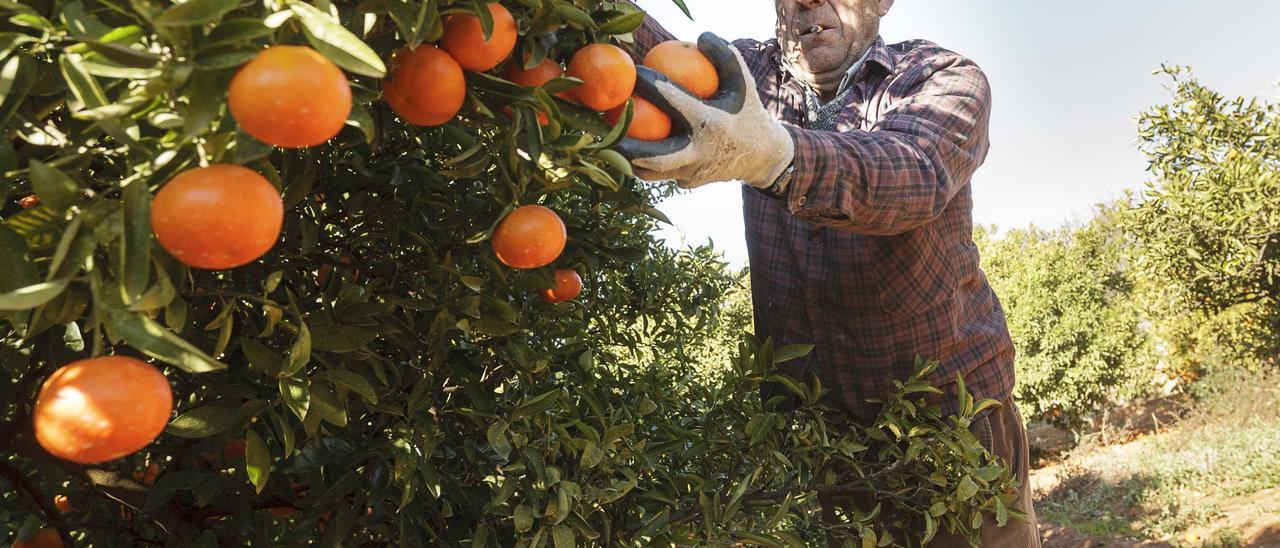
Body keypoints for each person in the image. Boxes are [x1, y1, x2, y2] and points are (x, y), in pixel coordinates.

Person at [617, 1, 1041, 546]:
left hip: (955, 424)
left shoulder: (939, 78)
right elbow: (652, 63)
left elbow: (912, 172)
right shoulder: (746, 78)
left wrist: (775, 155)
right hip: (821, 439)